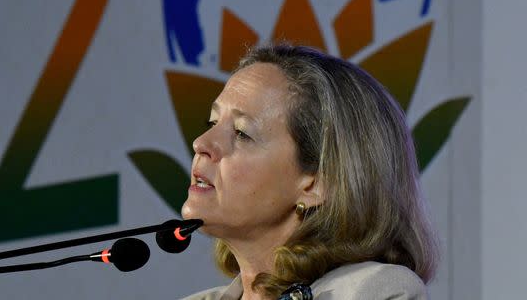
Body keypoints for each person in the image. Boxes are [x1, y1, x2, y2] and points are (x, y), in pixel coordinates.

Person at [179, 44, 439, 300]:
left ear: (316, 184)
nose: (201, 143)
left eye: (241, 133)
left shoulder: (374, 292)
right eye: (213, 122)